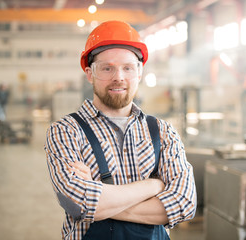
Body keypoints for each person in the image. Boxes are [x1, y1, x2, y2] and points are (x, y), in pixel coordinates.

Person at [45, 20, 196, 240]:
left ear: (139, 71)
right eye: (107, 68)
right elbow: (79, 204)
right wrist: (155, 185)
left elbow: (184, 204)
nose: (119, 77)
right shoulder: (65, 132)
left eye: (127, 67)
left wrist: (100, 201)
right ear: (89, 73)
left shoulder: (163, 132)